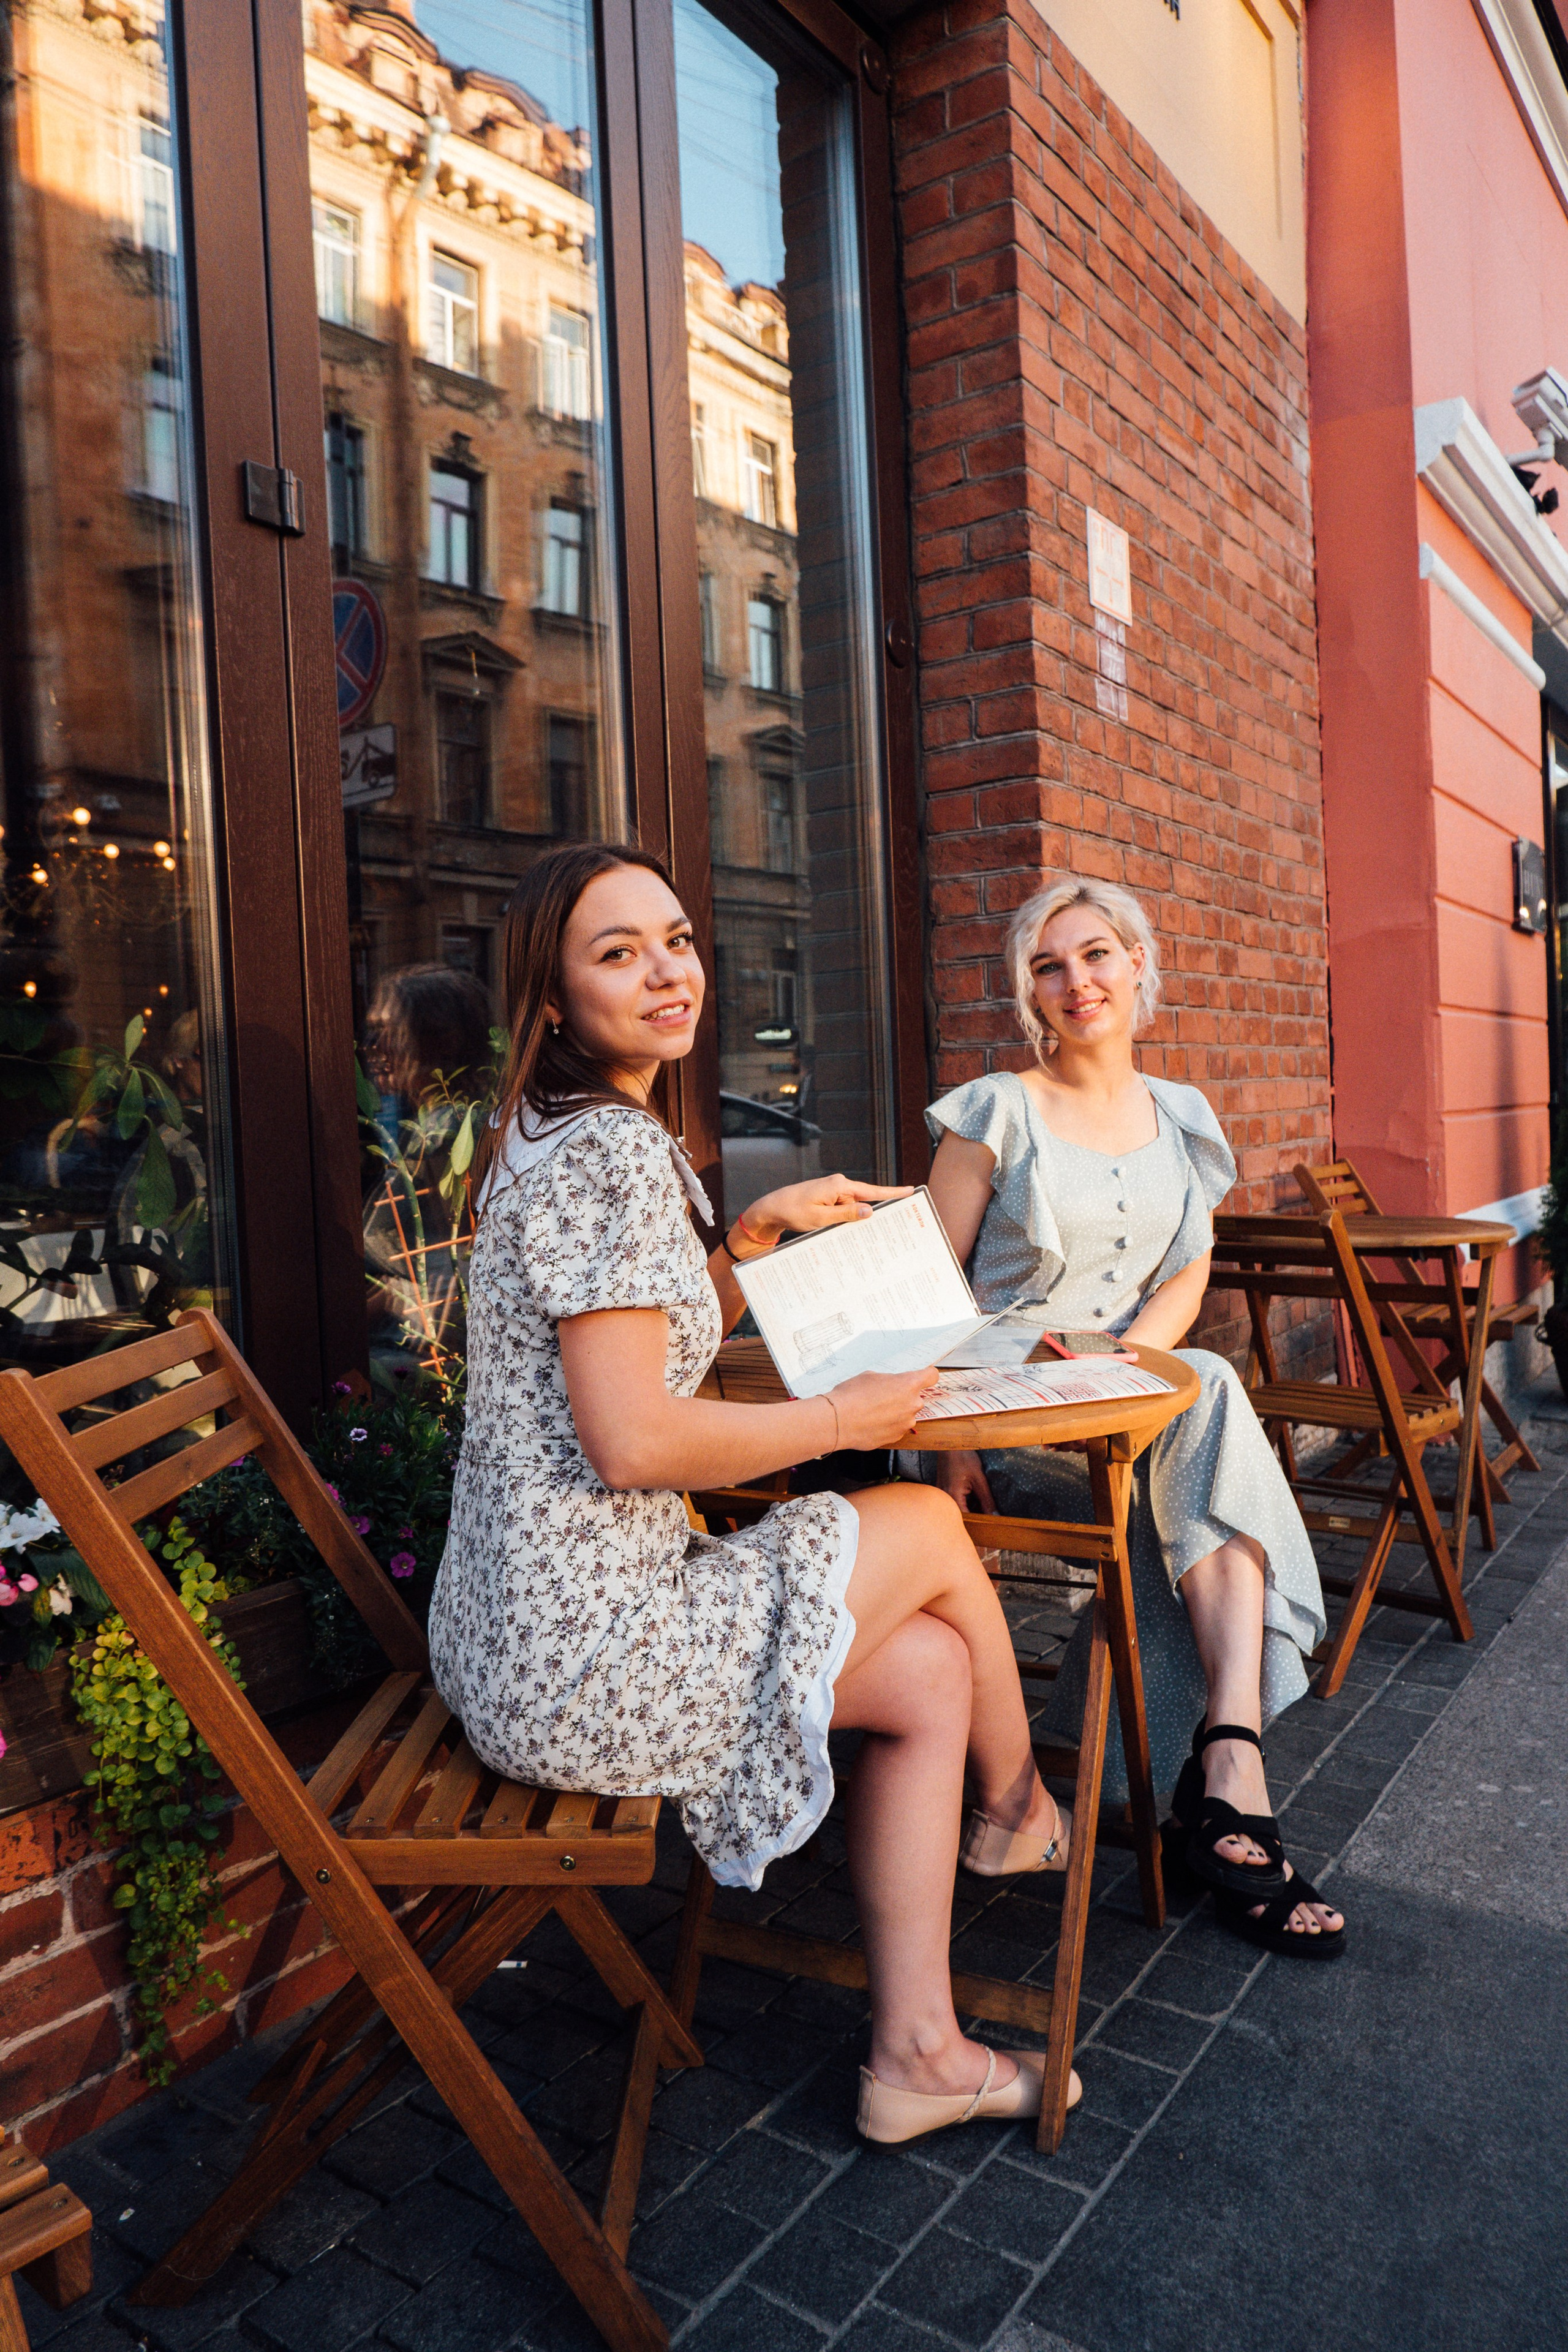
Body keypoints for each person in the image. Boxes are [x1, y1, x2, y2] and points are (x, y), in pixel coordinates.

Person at [427, 842, 1083, 2144]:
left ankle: (917, 2054)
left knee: (932, 1675)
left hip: (508, 1640)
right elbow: (628, 1441)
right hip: (581, 1658)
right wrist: (841, 1417)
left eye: (674, 939)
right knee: (926, 1521)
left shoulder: (558, 1132)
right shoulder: (608, 1153)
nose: (668, 971)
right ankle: (1018, 1812)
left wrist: (741, 1245)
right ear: (551, 998)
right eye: (618, 953)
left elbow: (624, 1355)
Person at [923, 875, 1345, 1958]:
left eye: (1097, 954)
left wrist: (1138, 1368)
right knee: (1206, 1416)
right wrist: (952, 1440)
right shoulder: (995, 1111)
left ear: (1139, 962)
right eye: (1049, 966)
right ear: (1029, 991)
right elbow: (923, 1293)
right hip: (1004, 1410)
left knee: (1188, 1422)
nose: (1077, 981)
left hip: (1133, 1404)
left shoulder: (1183, 1117)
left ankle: (1221, 1771)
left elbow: (1190, 1267)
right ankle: (1231, 1777)